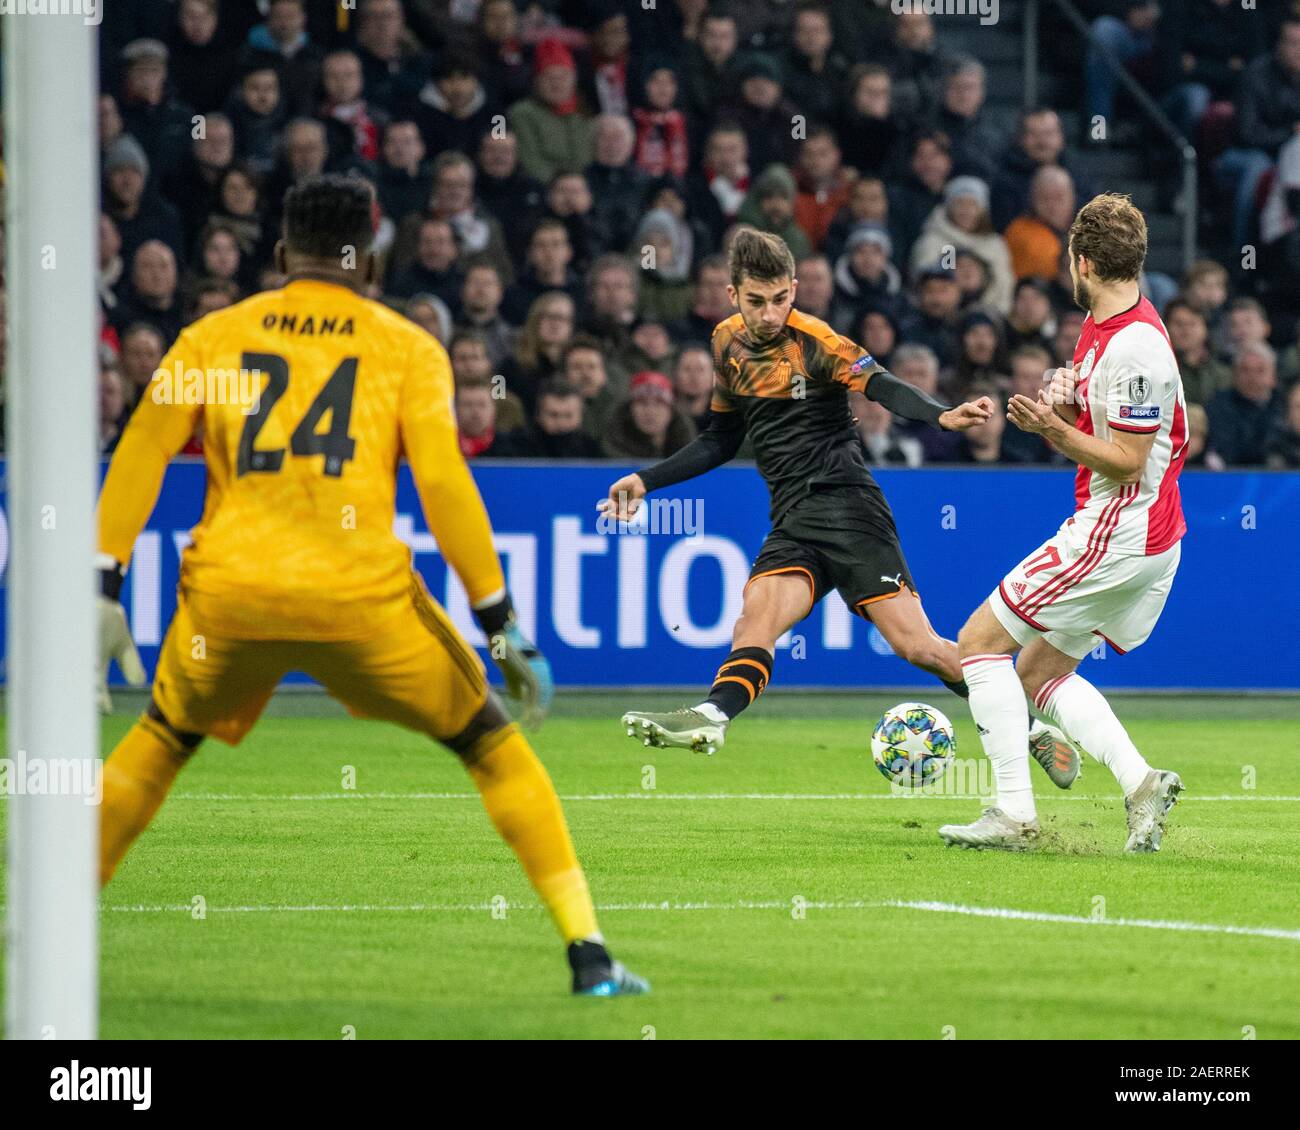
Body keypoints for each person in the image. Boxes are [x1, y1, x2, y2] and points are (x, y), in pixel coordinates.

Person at [94, 174, 647, 998]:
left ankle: (39, 936)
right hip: (359, 604)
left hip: (232, 599)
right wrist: (500, 622)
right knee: (492, 746)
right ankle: (589, 955)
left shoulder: (213, 337)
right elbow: (444, 484)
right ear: (373, 260)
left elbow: (139, 448)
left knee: (161, 743)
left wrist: (104, 580)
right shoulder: (405, 347)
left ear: (280, 254)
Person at [601, 230, 1075, 787]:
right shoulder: (725, 343)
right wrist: (645, 480)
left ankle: (1029, 728)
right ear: (733, 295)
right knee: (755, 617)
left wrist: (939, 413)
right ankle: (711, 716)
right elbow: (721, 439)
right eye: (756, 301)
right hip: (793, 520)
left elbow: (881, 386)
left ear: (794, 289)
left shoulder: (817, 340)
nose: (770, 313)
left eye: (780, 298)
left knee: (918, 647)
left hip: (848, 508)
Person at [941, 194, 1187, 854]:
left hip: (1120, 527)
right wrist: (1070, 396)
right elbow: (1103, 412)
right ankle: (1142, 786)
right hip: (1146, 533)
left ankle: (1013, 814)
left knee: (978, 644)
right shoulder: (1110, 322)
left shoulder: (1135, 348)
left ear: (1081, 262)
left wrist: (1051, 428)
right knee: (1036, 671)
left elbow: (1131, 460)